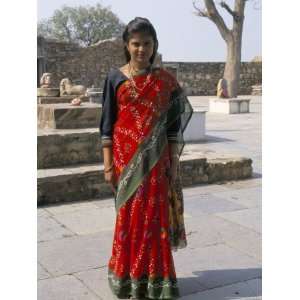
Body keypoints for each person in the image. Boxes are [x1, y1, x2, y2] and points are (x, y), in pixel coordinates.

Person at [99, 17, 193, 300]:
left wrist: (174, 164)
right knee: (128, 220)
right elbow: (107, 124)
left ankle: (157, 282)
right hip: (125, 165)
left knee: (154, 222)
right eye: (136, 44)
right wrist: (107, 166)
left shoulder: (165, 81)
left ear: (155, 46)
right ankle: (128, 280)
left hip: (157, 164)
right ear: (127, 46)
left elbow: (174, 127)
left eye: (147, 44)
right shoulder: (114, 78)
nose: (142, 49)